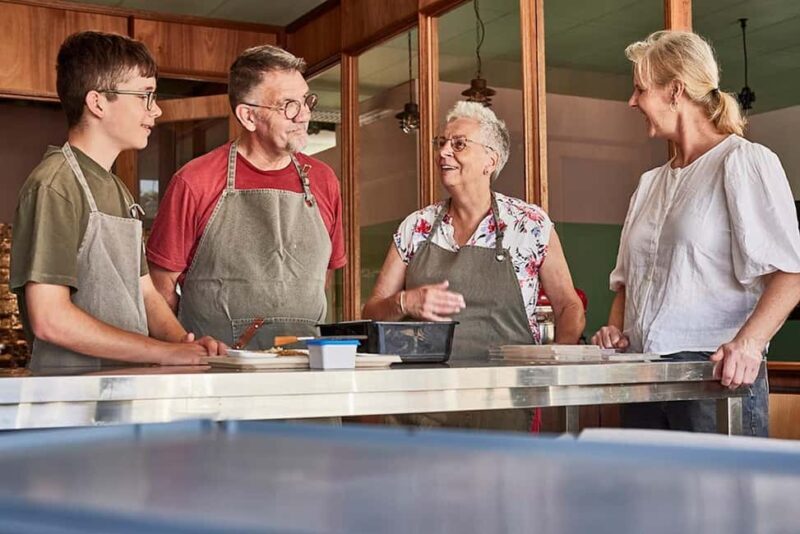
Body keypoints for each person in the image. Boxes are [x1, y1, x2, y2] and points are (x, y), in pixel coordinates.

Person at [591, 31, 800, 436]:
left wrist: (750, 344)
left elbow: (790, 274)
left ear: (675, 91)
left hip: (714, 377)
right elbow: (627, 286)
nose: (632, 102)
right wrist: (617, 330)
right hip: (643, 379)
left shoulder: (742, 162)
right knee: (648, 500)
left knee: (722, 500)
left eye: (639, 89)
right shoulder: (649, 184)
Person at [10, 31, 225, 372]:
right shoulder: (55, 185)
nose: (156, 110)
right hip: (74, 405)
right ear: (97, 103)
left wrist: (187, 345)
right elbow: (49, 318)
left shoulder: (118, 189)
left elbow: (146, 295)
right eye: (145, 96)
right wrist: (163, 353)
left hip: (122, 393)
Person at [362, 101, 585, 431]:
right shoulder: (416, 226)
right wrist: (405, 302)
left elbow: (569, 305)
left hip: (504, 402)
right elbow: (372, 312)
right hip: (421, 403)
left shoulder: (530, 225)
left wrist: (552, 363)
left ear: (490, 161)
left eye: (459, 144)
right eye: (442, 143)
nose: (444, 153)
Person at [146, 45, 345, 349]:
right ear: (248, 116)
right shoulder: (194, 181)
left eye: (306, 101)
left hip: (305, 367)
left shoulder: (324, 180)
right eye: (289, 105)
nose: (304, 114)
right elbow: (161, 289)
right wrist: (187, 348)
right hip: (217, 371)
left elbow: (324, 274)